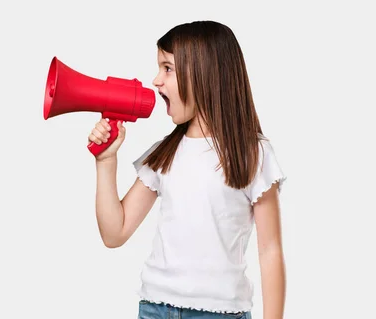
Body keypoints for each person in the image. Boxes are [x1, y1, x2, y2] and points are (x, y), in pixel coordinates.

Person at [88, 20, 287, 319]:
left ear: (205, 74)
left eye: (167, 68)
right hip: (154, 308)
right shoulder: (163, 154)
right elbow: (114, 233)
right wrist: (105, 162)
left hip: (219, 312)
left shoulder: (252, 154)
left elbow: (270, 252)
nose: (156, 80)